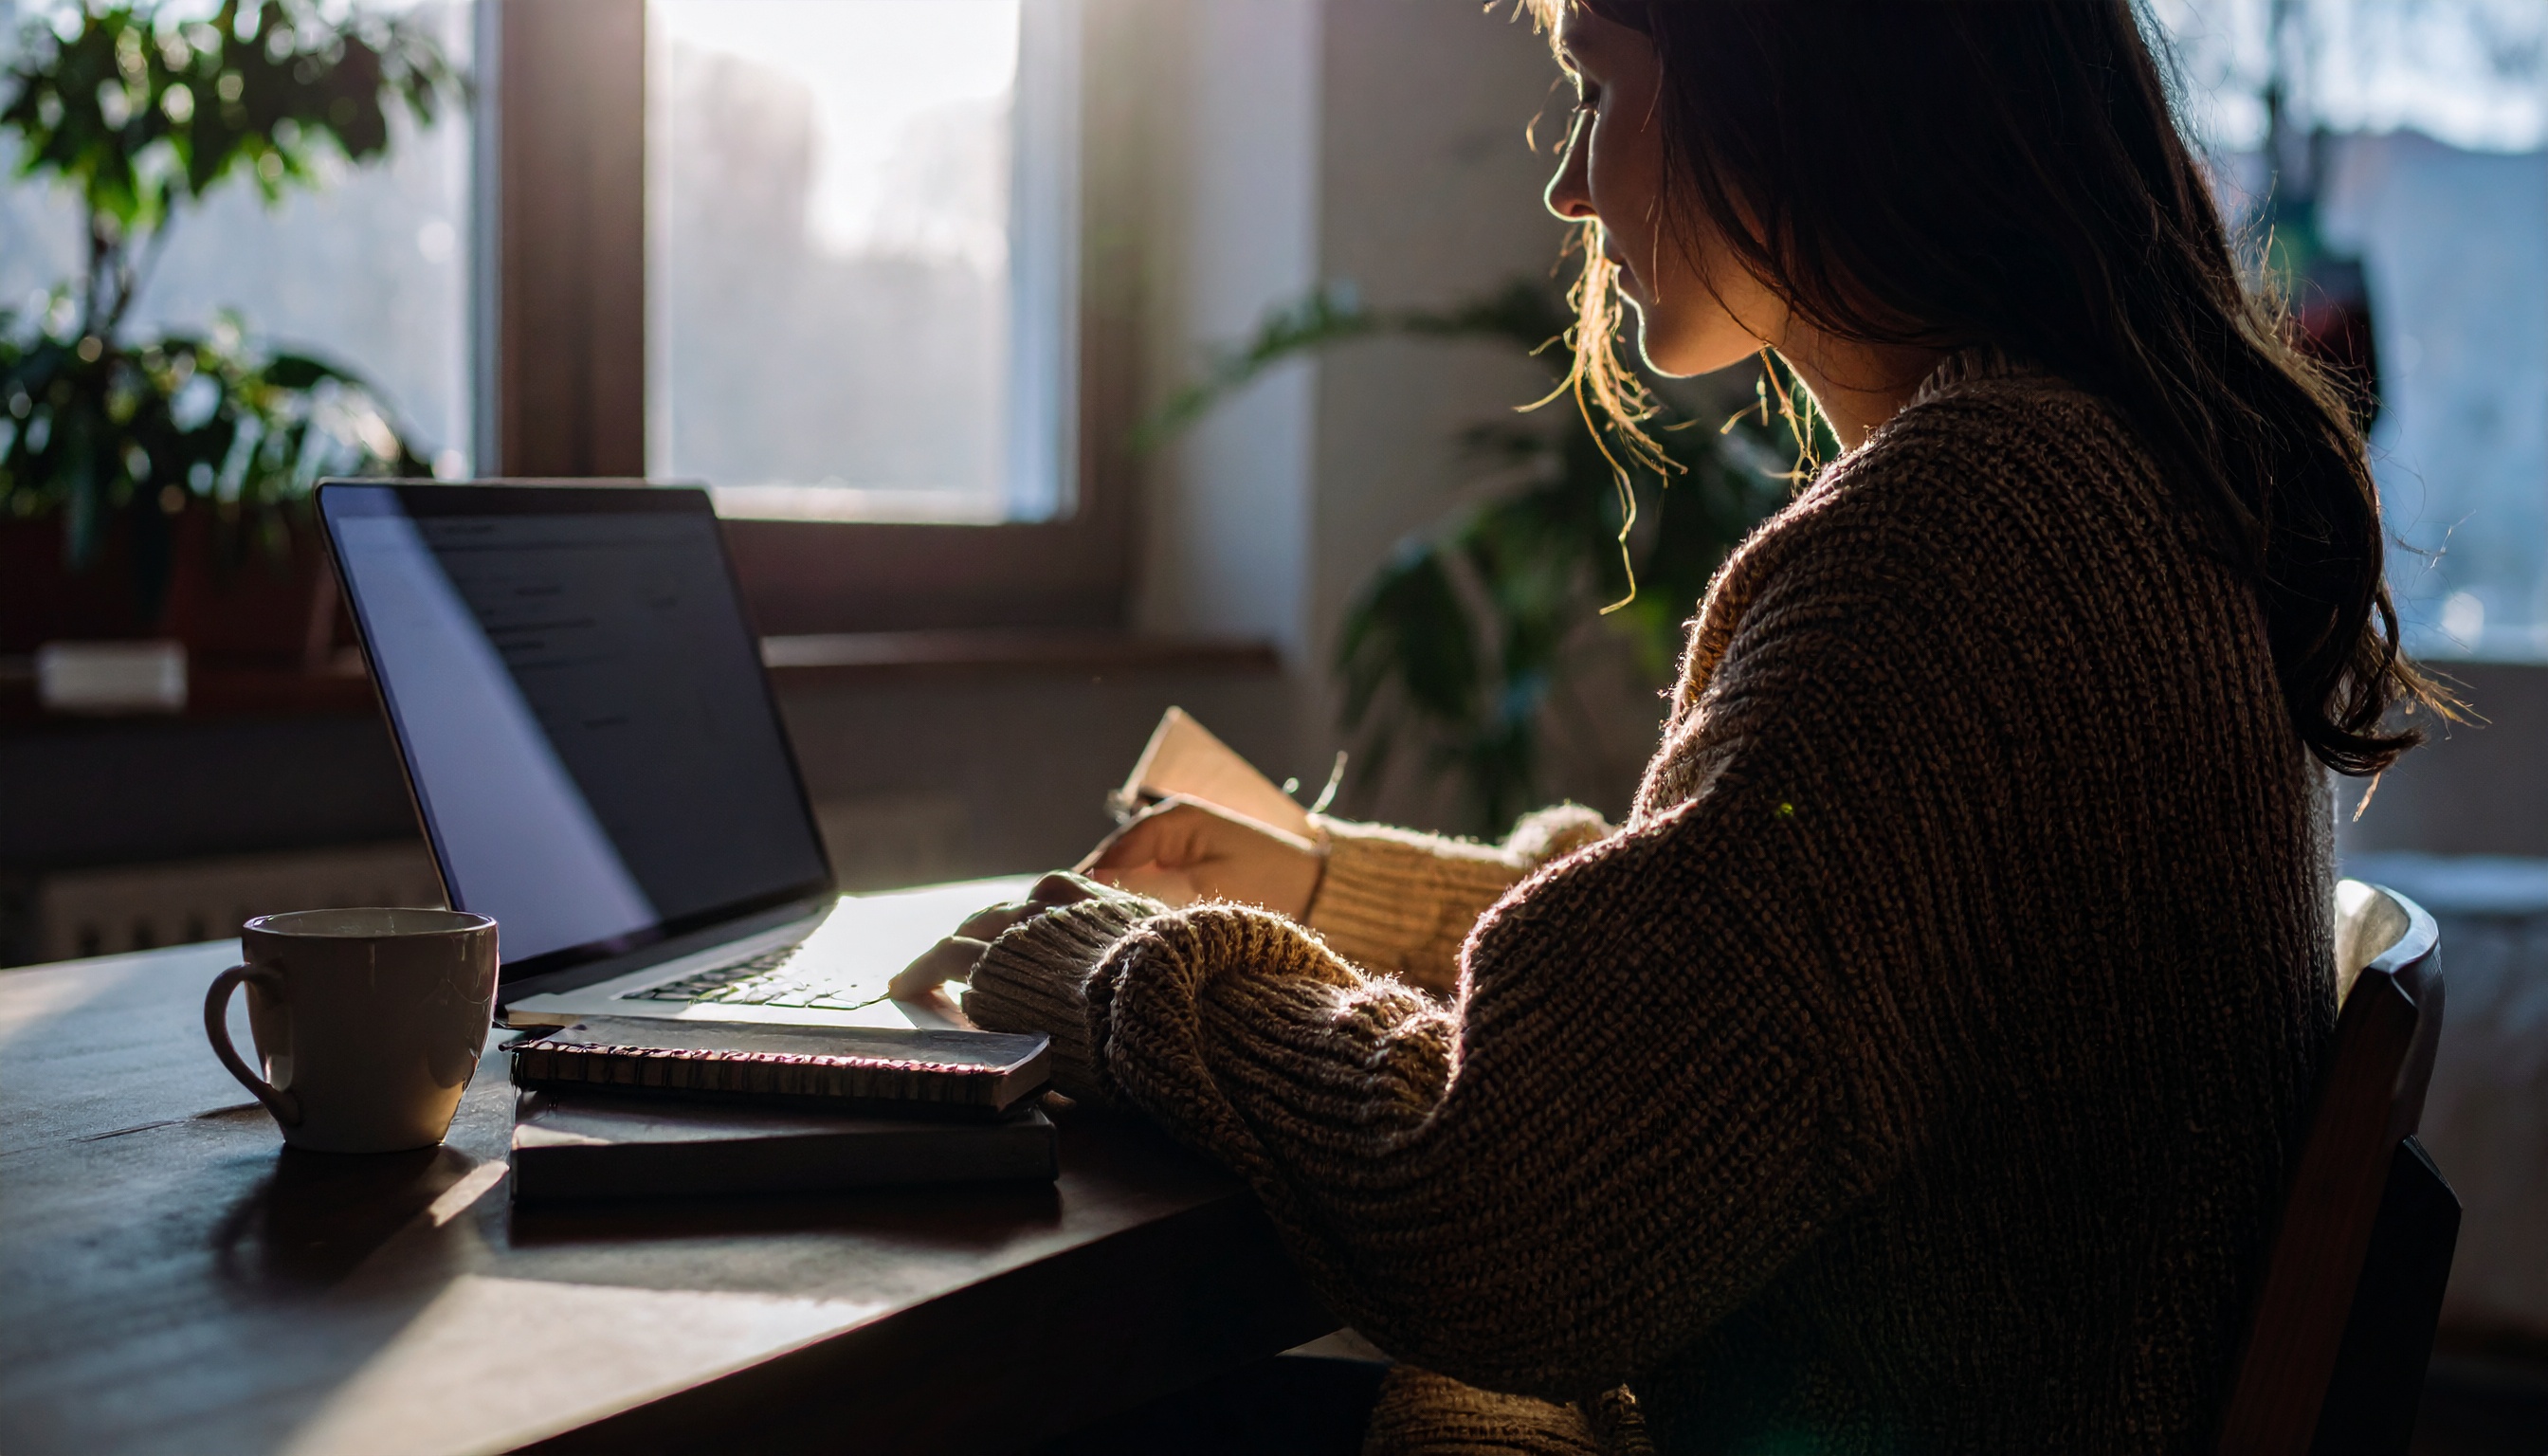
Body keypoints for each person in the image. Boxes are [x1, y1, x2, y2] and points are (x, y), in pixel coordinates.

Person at [909, 2, 2446, 1450]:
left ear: (1790, 78)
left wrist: (1101, 963)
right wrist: (1322, 893)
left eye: (1598, 83)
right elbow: (1738, 978)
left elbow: (1503, 1215)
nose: (1572, 188)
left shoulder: (1964, 547)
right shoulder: (2099, 487)